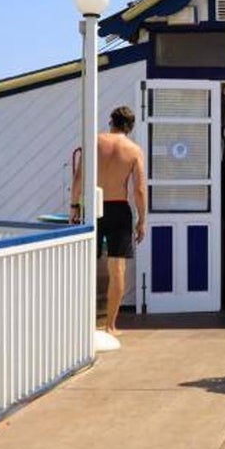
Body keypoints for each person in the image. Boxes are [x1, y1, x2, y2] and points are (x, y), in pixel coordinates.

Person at [71, 105, 147, 335]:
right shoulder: (134, 150)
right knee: (117, 269)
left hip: (93, 206)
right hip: (118, 209)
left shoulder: (93, 142)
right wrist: (142, 220)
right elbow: (140, 190)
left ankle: (82, 323)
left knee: (85, 265)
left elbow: (78, 178)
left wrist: (74, 207)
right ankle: (110, 326)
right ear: (130, 127)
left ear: (111, 122)